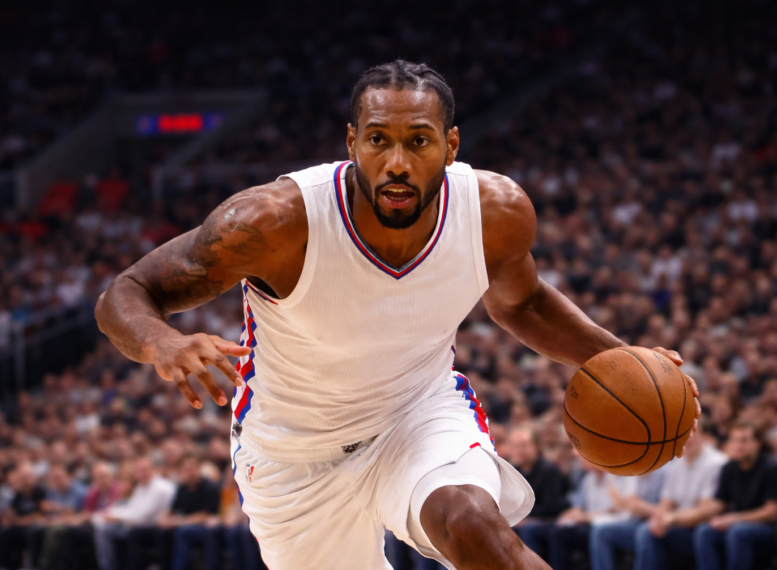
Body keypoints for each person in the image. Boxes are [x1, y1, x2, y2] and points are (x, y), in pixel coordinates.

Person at [95, 59, 700, 569]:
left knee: (469, 521)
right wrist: (161, 345)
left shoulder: (495, 213)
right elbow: (125, 291)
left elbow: (523, 301)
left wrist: (624, 360)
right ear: (352, 141)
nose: (398, 163)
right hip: (291, 455)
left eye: (419, 140)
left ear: (451, 145)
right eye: (379, 139)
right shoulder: (272, 223)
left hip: (417, 414)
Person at [634, 426, 727, 570]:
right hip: (679, 523)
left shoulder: (716, 463)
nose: (688, 439)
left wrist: (672, 518)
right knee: (648, 530)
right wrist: (659, 519)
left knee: (648, 533)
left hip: (700, 527)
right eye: (683, 435)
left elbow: (706, 511)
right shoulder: (677, 462)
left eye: (692, 433)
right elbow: (666, 501)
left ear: (703, 435)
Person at [693, 422, 777, 570]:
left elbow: (771, 512)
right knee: (704, 531)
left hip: (768, 529)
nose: (738, 445)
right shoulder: (729, 468)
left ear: (757, 443)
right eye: (734, 440)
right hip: (738, 525)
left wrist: (734, 519)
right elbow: (719, 503)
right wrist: (693, 513)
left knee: (737, 532)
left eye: (744, 440)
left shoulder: (771, 468)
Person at [547, 457, 637, 570]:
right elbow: (579, 506)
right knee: (558, 532)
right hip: (590, 523)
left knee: (599, 531)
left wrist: (585, 516)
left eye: (584, 457)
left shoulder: (617, 478)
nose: (580, 460)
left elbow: (617, 510)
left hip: (611, 522)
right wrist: (569, 515)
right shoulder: (588, 479)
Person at [92, 457, 175, 570]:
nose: (141, 473)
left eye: (145, 470)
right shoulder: (141, 487)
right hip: (137, 525)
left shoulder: (160, 488)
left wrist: (116, 517)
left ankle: (108, 567)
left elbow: (142, 515)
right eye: (139, 470)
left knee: (104, 531)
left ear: (153, 469)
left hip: (152, 528)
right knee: (100, 526)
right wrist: (109, 514)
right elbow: (132, 508)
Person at [507, 425, 570, 559]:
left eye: (524, 445)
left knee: (527, 529)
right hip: (523, 520)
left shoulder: (549, 470)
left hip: (549, 521)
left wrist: (525, 518)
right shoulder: (512, 472)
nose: (520, 450)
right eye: (515, 446)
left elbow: (551, 507)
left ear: (536, 446)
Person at [587, 468, 666, 570]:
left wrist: (639, 506)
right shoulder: (633, 469)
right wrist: (631, 504)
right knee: (600, 531)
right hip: (634, 521)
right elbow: (629, 503)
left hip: (655, 521)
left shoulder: (663, 471)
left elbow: (665, 509)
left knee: (644, 532)